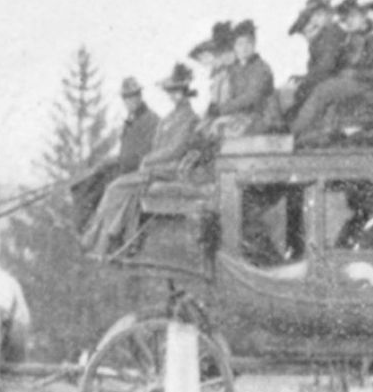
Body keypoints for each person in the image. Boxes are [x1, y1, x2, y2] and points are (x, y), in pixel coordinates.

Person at [81, 64, 201, 254]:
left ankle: (99, 240)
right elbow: (157, 145)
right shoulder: (169, 117)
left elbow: (176, 149)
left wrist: (149, 159)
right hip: (155, 169)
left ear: (186, 92)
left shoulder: (190, 118)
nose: (173, 96)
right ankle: (107, 240)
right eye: (171, 91)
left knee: (115, 187)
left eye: (177, 91)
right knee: (122, 190)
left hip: (170, 170)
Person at [290, 0, 373, 146]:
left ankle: (292, 134)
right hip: (365, 82)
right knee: (326, 87)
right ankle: (301, 133)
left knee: (324, 90)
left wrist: (356, 74)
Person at [69, 76, 157, 230]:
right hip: (124, 168)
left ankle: (95, 231)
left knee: (95, 187)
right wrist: (109, 161)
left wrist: (117, 162)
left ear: (140, 96)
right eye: (127, 98)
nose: (130, 101)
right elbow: (126, 151)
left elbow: (144, 155)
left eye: (134, 96)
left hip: (135, 171)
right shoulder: (131, 121)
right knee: (82, 184)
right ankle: (83, 228)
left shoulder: (151, 120)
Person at [206, 19, 280, 137]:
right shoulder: (233, 70)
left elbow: (251, 97)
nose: (244, 48)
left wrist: (222, 109)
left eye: (248, 43)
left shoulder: (262, 68)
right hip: (240, 116)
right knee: (206, 129)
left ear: (254, 44)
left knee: (224, 132)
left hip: (262, 118)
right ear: (234, 47)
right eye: (239, 44)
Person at [289, 0, 347, 114]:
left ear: (330, 15)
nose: (316, 20)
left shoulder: (332, 35)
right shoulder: (324, 36)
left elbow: (326, 66)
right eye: (314, 15)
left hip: (334, 83)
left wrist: (307, 79)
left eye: (320, 15)